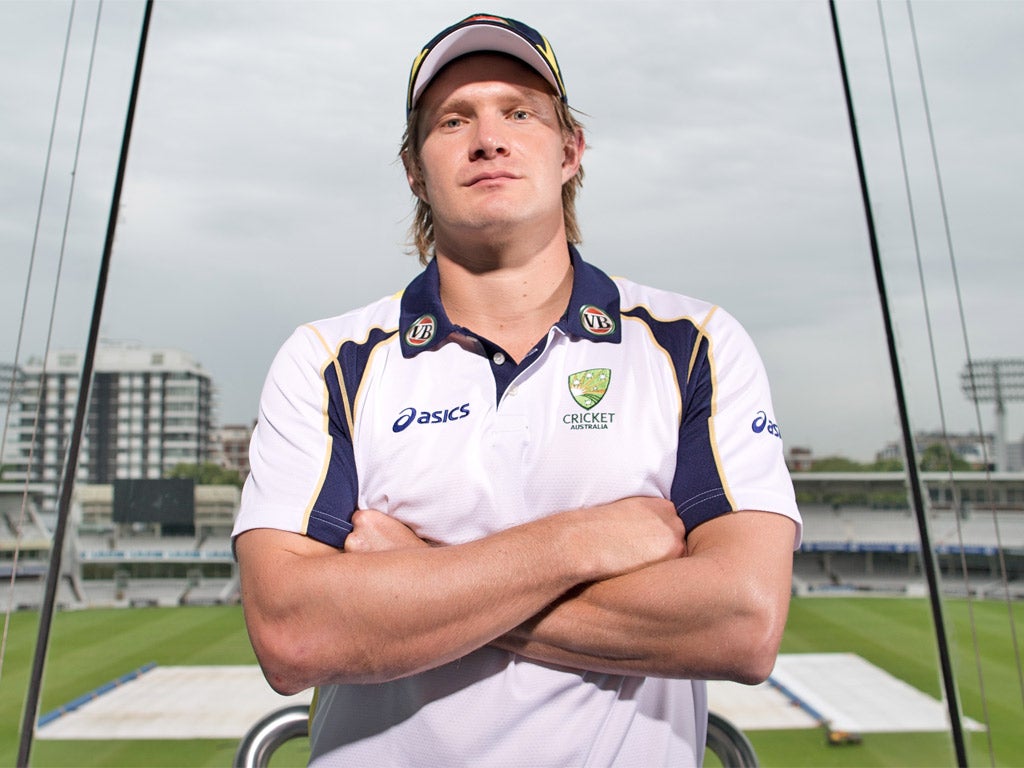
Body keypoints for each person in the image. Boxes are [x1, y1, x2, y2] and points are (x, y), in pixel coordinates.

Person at [233, 12, 802, 767]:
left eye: (520, 112)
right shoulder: (327, 360)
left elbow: (742, 624)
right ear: (414, 169)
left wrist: (415, 574)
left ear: (570, 150)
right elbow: (294, 635)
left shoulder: (693, 342)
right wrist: (585, 541)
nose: (488, 138)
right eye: (453, 120)